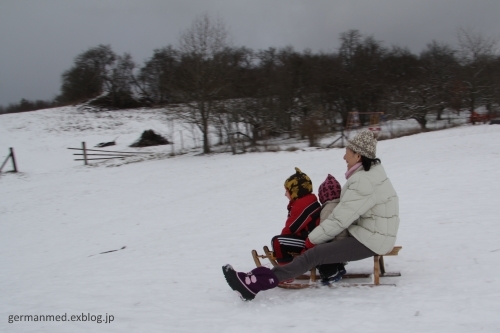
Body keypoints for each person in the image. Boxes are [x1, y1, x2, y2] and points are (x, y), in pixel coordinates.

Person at [222, 130, 400, 301]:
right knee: (319, 246)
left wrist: (312, 240)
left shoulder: (362, 181)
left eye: (347, 152)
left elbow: (339, 219)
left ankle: (253, 284)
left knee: (314, 254)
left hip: (371, 240)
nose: (344, 157)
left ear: (358, 156)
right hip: (373, 234)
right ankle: (255, 279)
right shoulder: (372, 174)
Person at [270, 167, 321, 265]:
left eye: (287, 191)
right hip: (310, 239)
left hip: (309, 242)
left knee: (277, 242)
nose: (285, 194)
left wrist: (280, 245)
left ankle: (286, 271)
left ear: (295, 191)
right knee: (281, 241)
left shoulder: (302, 206)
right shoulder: (307, 201)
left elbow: (291, 228)